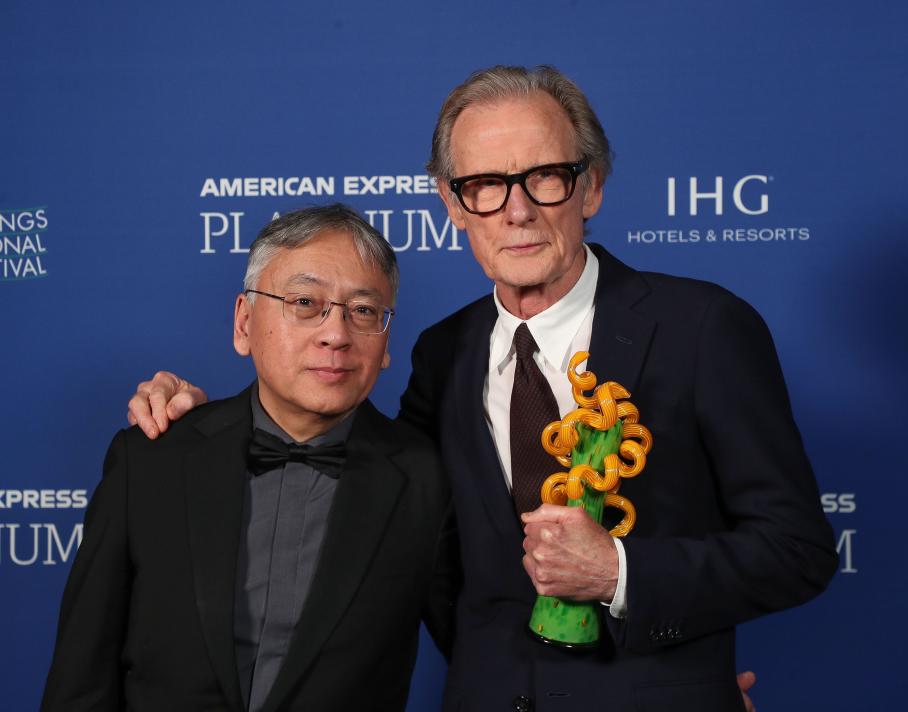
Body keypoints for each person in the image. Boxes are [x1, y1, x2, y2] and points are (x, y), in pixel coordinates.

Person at [128, 66, 837, 711]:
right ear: (451, 202)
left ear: (590, 186)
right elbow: (379, 496)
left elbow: (796, 549)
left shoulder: (702, 328)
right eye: (485, 184)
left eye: (546, 176)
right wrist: (209, 429)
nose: (516, 210)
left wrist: (620, 572)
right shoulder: (443, 353)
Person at [42, 205, 455, 712]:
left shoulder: (426, 480)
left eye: (364, 311)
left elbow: (485, 645)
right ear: (243, 323)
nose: (336, 334)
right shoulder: (150, 460)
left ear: (386, 341)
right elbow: (79, 681)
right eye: (305, 302)